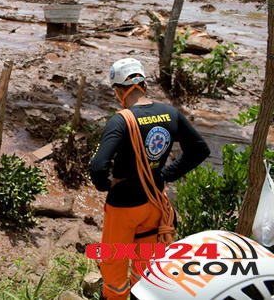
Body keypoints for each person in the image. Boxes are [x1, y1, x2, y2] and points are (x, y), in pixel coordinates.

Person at [89, 58, 210, 300]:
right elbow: (200, 149)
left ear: (119, 90)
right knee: (145, 265)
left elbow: (98, 166)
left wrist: (106, 185)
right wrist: (166, 174)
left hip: (123, 208)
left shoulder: (121, 120)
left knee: (114, 264)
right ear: (143, 84)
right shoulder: (170, 114)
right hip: (154, 203)